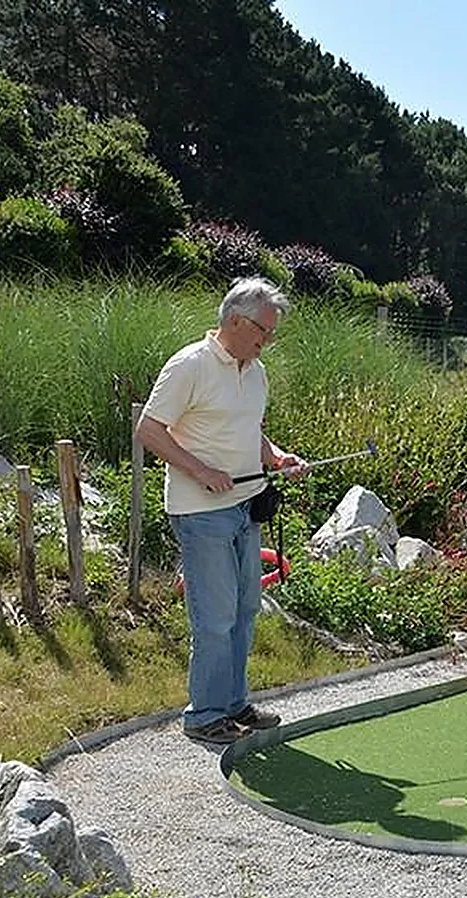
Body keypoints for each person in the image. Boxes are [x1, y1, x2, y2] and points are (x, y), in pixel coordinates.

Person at [136, 277, 307, 744]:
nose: (267, 341)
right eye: (263, 331)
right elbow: (149, 430)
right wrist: (200, 470)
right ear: (235, 320)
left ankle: (234, 704)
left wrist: (275, 457)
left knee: (246, 607)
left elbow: (249, 428)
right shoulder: (189, 366)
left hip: (244, 505)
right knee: (214, 616)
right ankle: (204, 716)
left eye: (270, 333)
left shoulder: (254, 371)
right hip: (200, 511)